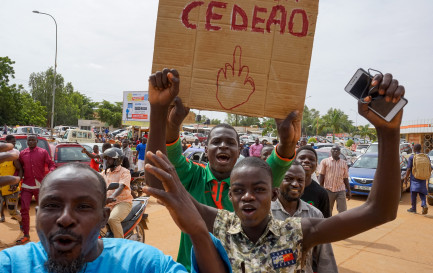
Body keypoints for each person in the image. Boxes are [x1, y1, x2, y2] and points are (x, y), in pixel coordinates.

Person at [144, 71, 406, 272]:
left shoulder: (298, 232)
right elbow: (158, 182)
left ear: (273, 194)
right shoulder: (221, 225)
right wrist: (157, 109)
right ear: (230, 198)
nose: (247, 196)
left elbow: (380, 211)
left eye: (258, 189)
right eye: (238, 191)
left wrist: (388, 131)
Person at [145, 68, 299, 271]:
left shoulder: (250, 183)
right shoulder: (193, 174)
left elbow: (279, 161)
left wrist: (287, 141)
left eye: (230, 143)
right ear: (206, 150)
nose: (223, 146)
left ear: (238, 150)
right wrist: (171, 122)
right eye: (216, 142)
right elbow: (163, 157)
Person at [0, 163, 231, 273]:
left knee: (117, 221)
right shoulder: (10, 264)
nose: (66, 218)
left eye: (83, 206)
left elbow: (123, 188)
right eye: (52, 205)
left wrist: (199, 232)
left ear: (101, 217)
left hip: (123, 203)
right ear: (38, 215)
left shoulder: (143, 264)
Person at [271, 162, 337, 273]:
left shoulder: (315, 215)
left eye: (300, 180)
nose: (295, 184)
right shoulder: (264, 213)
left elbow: (325, 257)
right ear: (278, 181)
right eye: (288, 178)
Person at [18, 135, 55, 245]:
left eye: (33, 140)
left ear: (37, 141)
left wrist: (51, 172)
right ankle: (26, 235)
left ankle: (47, 234)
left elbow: (51, 164)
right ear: (27, 141)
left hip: (40, 185)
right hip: (26, 185)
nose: (31, 141)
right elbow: (19, 169)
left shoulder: (43, 152)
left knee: (44, 210)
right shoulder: (22, 154)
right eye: (29, 140)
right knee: (24, 210)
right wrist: (15, 180)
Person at [99, 148, 133, 238]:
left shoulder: (125, 172)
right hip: (107, 203)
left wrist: (113, 196)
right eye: (106, 158)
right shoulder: (105, 172)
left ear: (117, 160)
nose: (106, 161)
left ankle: (120, 245)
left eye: (109, 158)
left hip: (122, 202)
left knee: (112, 219)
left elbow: (121, 186)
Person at [296, 145, 331, 218]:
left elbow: (326, 222)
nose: (306, 161)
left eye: (311, 159)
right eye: (302, 158)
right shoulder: (284, 188)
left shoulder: (321, 193)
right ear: (294, 161)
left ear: (316, 165)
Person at [318, 145, 351, 216]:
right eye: (334, 150)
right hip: (328, 189)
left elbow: (345, 178)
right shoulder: (325, 161)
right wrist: (320, 189)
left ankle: (341, 225)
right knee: (328, 210)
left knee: (343, 211)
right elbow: (321, 175)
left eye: (337, 150)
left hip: (340, 190)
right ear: (331, 151)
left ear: (340, 152)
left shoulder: (344, 163)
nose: (335, 151)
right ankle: (328, 225)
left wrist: (349, 190)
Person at [0, 135, 23, 223]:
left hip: (11, 190)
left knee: (12, 211)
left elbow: (20, 169)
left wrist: (17, 182)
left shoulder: (12, 157)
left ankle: (23, 223)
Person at [405, 143, 431, 214]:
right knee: (422, 193)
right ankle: (424, 204)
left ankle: (413, 208)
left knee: (413, 193)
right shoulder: (426, 157)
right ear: (421, 149)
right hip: (422, 178)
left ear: (414, 149)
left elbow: (409, 169)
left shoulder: (412, 157)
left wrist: (406, 178)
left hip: (414, 178)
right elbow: (430, 168)